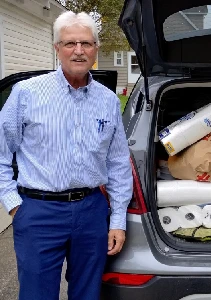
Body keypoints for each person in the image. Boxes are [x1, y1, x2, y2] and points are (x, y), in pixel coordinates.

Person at [0, 11, 133, 300]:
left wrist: (118, 221)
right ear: (57, 48)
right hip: (38, 211)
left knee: (88, 293)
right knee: (37, 294)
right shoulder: (26, 93)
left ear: (96, 49)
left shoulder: (108, 101)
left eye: (86, 43)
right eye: (70, 43)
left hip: (92, 210)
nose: (79, 50)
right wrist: (14, 205)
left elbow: (119, 163)